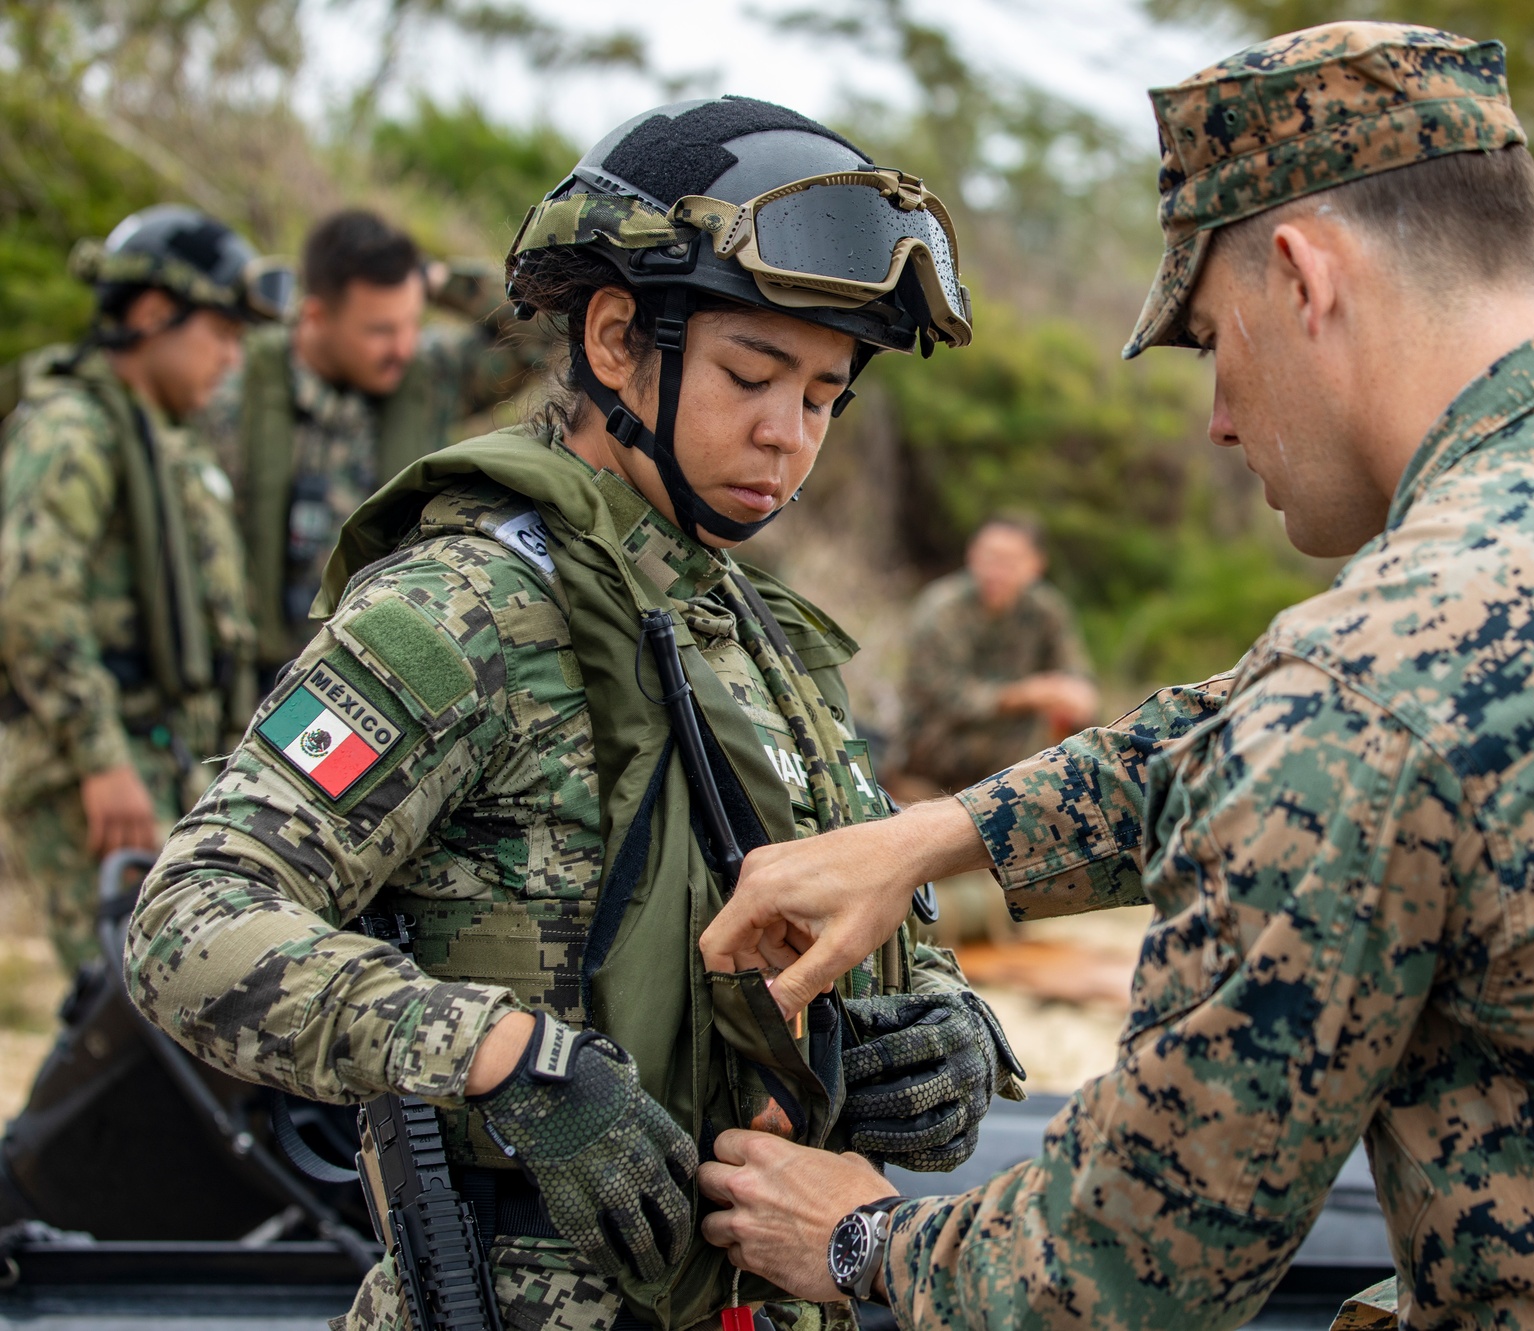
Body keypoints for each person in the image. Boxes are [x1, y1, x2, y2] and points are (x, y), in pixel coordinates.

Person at [692, 23, 1534, 1331]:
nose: (1218, 417)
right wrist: (940, 835)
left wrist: (860, 1231)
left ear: (1303, 276)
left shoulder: (1371, 685)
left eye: (1210, 340)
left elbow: (1112, 1280)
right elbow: (1298, 724)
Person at [125, 98, 1022, 1331]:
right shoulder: (462, 608)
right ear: (614, 338)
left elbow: (888, 926)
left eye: (822, 396)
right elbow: (189, 922)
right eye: (751, 375)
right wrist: (508, 1060)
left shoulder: (762, 641)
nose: (786, 436)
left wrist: (949, 1033)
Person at [0, 205, 284, 973]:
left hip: (169, 760)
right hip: (98, 768)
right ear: (154, 315)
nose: (231, 359)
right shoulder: (73, 430)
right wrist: (101, 759)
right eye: (220, 334)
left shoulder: (170, 443)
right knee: (133, 1016)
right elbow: (30, 595)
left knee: (175, 1024)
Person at [198, 208, 546, 691]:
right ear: (316, 315)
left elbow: (544, 335)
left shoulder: (429, 377)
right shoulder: (231, 391)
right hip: (248, 681)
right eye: (380, 330)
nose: (402, 346)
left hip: (376, 677)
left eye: (411, 323)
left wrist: (442, 280)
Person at [901, 516, 1097, 796]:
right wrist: (1024, 696)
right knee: (1033, 741)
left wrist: (1078, 695)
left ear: (1036, 565)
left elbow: (1075, 671)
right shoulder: (943, 609)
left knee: (1080, 729)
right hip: (940, 737)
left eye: (1010, 561)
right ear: (971, 555)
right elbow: (946, 697)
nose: (996, 571)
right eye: (989, 557)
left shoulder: (1046, 610)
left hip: (1008, 732)